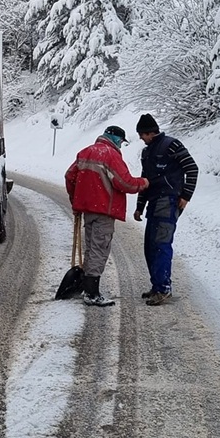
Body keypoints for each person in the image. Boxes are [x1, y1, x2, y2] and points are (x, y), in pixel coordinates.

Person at [65, 125, 149, 307]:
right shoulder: (110, 155)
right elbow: (124, 183)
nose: (121, 145)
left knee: (91, 247)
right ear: (117, 139)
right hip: (104, 210)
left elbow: (70, 176)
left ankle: (88, 286)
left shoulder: (85, 152)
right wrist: (143, 183)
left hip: (88, 210)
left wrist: (76, 202)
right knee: (99, 248)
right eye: (121, 141)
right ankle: (92, 293)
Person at [133, 113, 199, 306]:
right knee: (150, 247)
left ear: (150, 132)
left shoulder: (172, 145)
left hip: (168, 201)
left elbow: (192, 169)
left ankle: (163, 289)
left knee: (161, 245)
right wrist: (139, 207)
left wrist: (186, 196)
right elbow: (146, 180)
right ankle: (157, 286)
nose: (140, 138)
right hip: (153, 203)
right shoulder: (146, 153)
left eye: (141, 134)